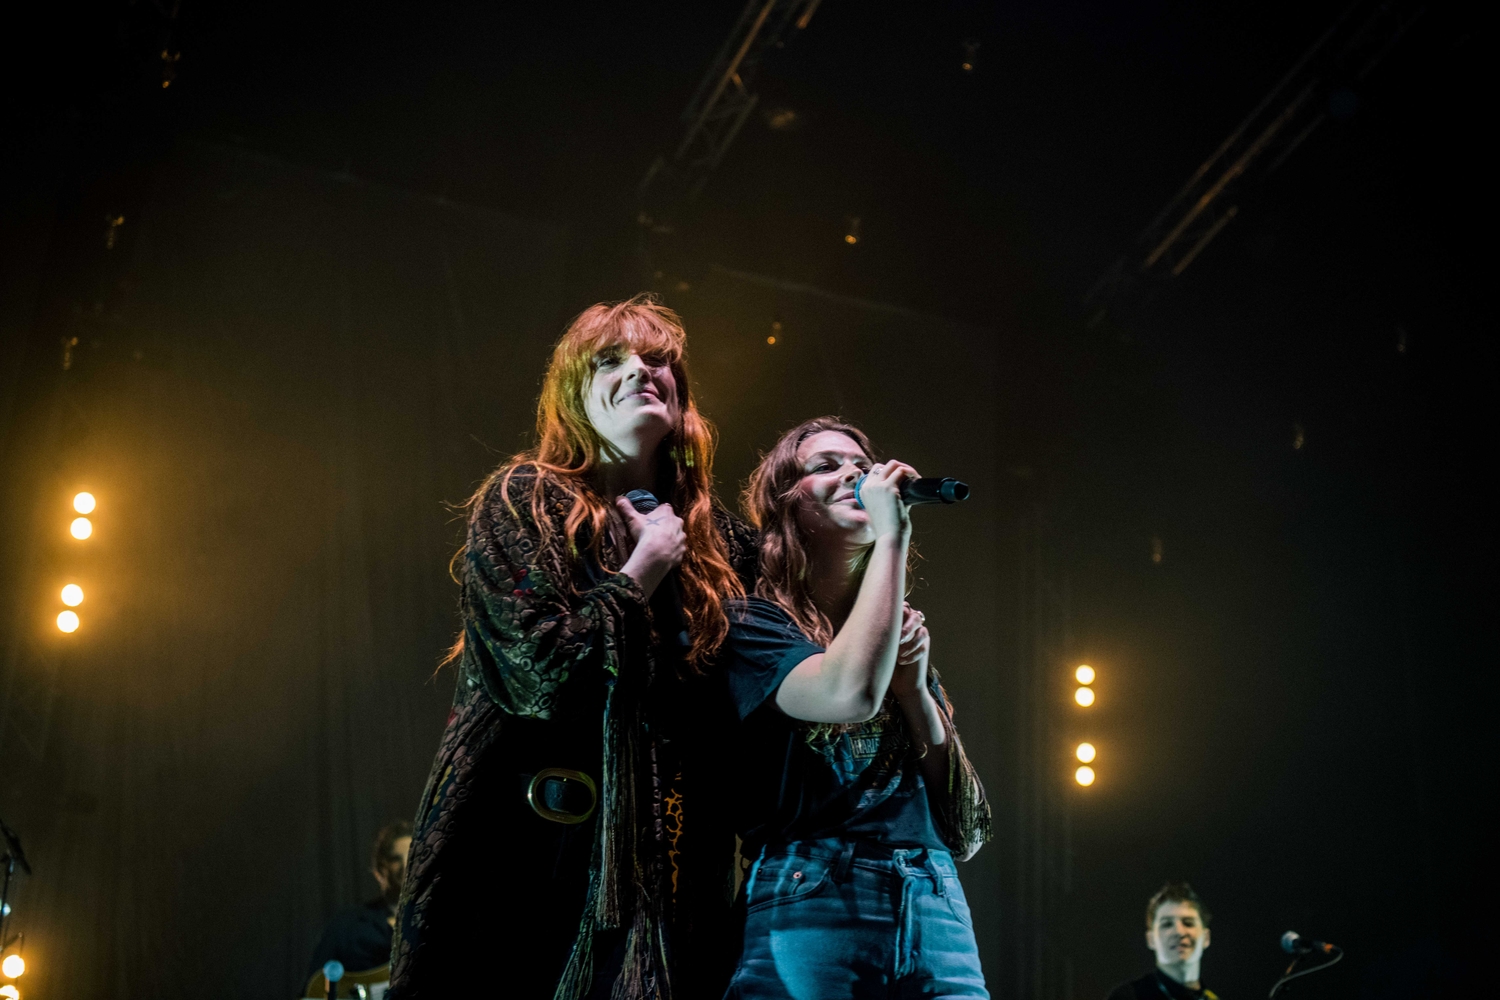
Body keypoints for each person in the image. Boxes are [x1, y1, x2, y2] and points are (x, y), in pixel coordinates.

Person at [387, 295, 755, 1000]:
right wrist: (641, 571)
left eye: (658, 360)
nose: (641, 371)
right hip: (530, 862)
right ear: (574, 398)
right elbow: (542, 676)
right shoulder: (527, 501)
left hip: (675, 877)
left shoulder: (723, 546)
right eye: (611, 360)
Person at [717, 416, 992, 999]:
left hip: (933, 894)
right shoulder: (754, 626)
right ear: (788, 507)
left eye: (862, 468)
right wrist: (894, 535)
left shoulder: (898, 635)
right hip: (815, 893)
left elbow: (965, 826)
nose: (855, 476)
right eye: (827, 466)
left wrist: (916, 690)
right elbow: (847, 693)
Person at [306, 820, 411, 979]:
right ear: (381, 867)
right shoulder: (346, 926)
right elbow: (315, 987)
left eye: (412, 857)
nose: (406, 866)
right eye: (396, 859)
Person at [1106, 882, 1218, 1000]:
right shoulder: (1128, 997)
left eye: (1188, 923)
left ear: (1206, 937)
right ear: (1151, 939)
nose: (1179, 932)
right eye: (1167, 924)